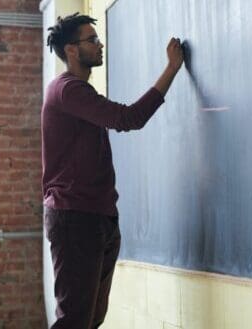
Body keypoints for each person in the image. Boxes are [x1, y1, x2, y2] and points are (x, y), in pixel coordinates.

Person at [41, 12, 184, 328]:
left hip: (97, 217)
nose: (100, 44)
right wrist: (171, 69)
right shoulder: (67, 90)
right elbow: (128, 118)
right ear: (72, 50)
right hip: (75, 217)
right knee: (75, 321)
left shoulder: (79, 93)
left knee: (90, 320)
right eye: (92, 40)